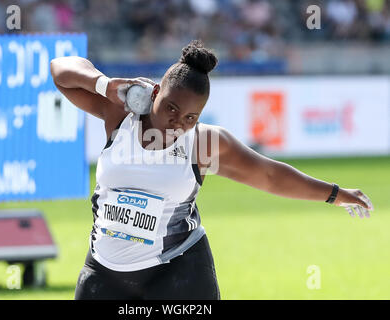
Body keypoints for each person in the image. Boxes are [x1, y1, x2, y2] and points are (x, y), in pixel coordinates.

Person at [50, 40, 374, 300]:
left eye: (190, 117)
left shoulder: (203, 145)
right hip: (106, 272)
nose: (178, 123)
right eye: (171, 108)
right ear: (154, 92)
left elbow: (269, 175)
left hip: (177, 271)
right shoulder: (121, 115)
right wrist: (104, 84)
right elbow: (59, 70)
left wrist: (335, 194)